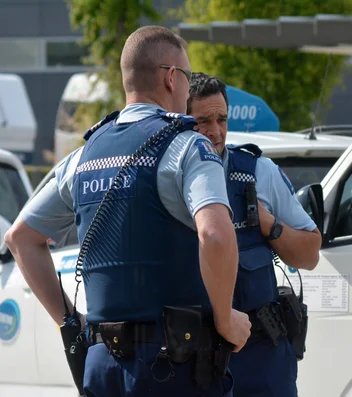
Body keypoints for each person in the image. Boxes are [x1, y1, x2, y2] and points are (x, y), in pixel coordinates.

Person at [4, 26, 251, 397]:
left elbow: (21, 238)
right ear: (171, 78)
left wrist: (71, 323)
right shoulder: (187, 146)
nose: (187, 90)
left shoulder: (83, 155)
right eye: (185, 77)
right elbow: (215, 234)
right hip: (175, 367)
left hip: (103, 365)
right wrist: (226, 319)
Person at [187, 72, 321, 397]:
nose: (216, 131)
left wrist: (269, 225)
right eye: (203, 121)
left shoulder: (259, 172)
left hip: (261, 359)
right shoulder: (165, 177)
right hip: (193, 361)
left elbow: (310, 253)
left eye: (221, 119)